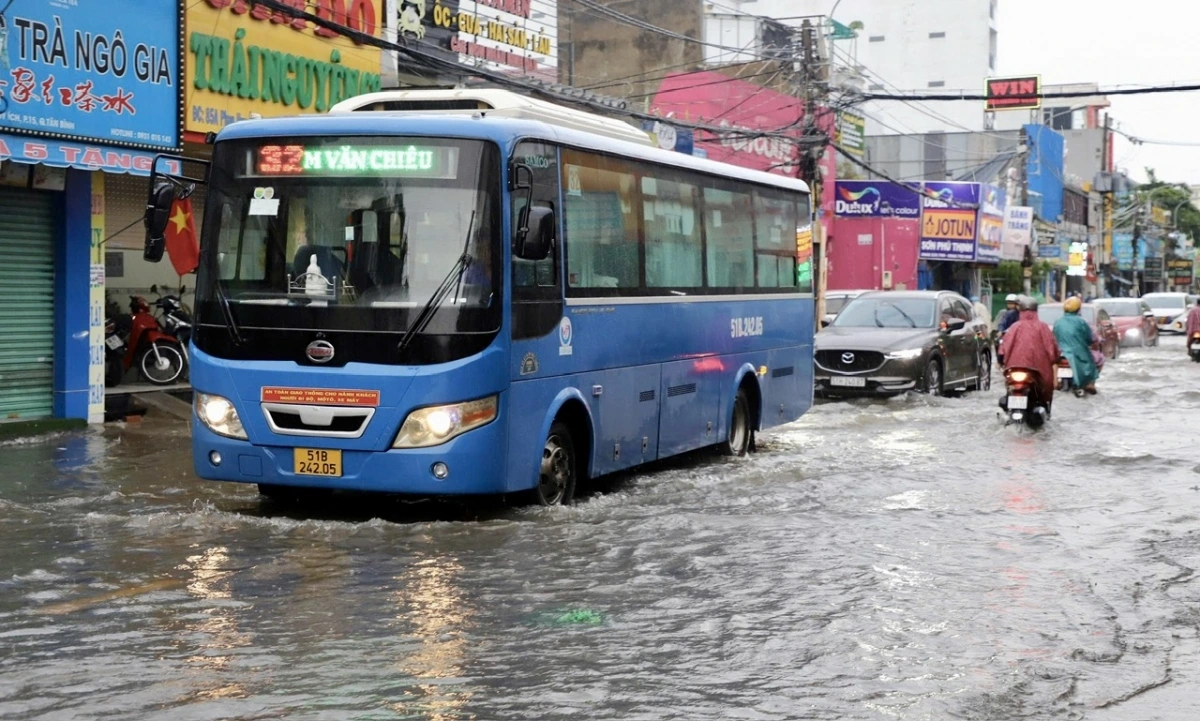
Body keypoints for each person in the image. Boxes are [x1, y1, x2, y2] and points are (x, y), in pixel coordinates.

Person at [1000, 296, 1061, 412]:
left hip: (1013, 369)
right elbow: (1052, 349)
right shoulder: (1043, 327)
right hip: (1036, 371)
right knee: (1046, 388)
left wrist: (1000, 360)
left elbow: (1003, 348)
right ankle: (1045, 409)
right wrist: (1055, 359)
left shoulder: (1014, 327)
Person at [1053, 296, 1099, 396]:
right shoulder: (1082, 321)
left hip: (1061, 352)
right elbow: (1089, 338)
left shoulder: (1058, 321)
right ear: (1078, 309)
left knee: (1054, 362)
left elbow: (1054, 336)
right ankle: (1090, 384)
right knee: (1094, 361)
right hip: (1078, 352)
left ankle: (1055, 383)